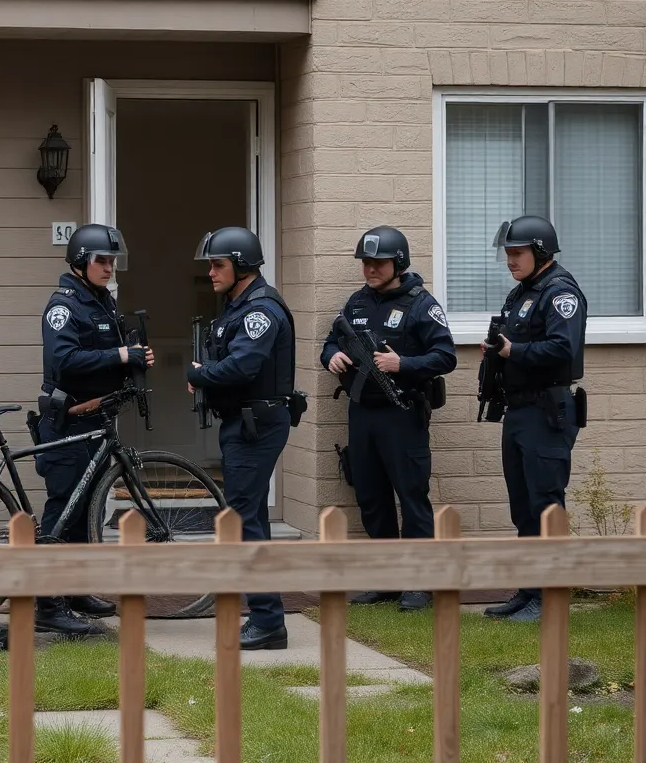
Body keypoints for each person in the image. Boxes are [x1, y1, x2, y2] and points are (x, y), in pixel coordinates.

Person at [320, 226, 456, 612]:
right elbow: (332, 340)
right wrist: (330, 356)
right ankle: (387, 579)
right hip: (363, 411)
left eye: (377, 263)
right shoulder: (358, 303)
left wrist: (403, 363)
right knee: (370, 495)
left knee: (411, 496)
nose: (369, 270)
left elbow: (446, 356)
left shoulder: (420, 304)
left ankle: (419, 582)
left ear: (397, 263)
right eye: (365, 262)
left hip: (402, 413)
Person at [35, 223, 153, 636]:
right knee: (64, 507)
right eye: (102, 260)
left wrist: (134, 357)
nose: (109, 267)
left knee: (89, 509)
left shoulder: (102, 302)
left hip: (96, 419)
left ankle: (75, 589)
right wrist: (120, 353)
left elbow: (109, 354)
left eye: (112, 260)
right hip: (67, 420)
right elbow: (64, 359)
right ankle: (47, 604)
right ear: (81, 262)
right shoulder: (64, 305)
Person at [186, 227, 300, 651]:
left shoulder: (260, 310)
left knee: (245, 519)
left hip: (258, 425)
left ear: (243, 266)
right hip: (243, 422)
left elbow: (243, 365)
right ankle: (263, 614)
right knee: (248, 518)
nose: (211, 273)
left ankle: (268, 621)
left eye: (218, 265)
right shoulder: (237, 306)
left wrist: (199, 375)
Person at [482, 215, 587, 624]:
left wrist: (513, 352)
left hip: (547, 412)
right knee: (523, 506)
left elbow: (563, 347)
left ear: (540, 252)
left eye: (517, 253)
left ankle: (549, 596)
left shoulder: (560, 293)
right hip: (521, 410)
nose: (510, 260)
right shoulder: (522, 293)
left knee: (546, 504)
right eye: (507, 253)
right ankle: (529, 591)